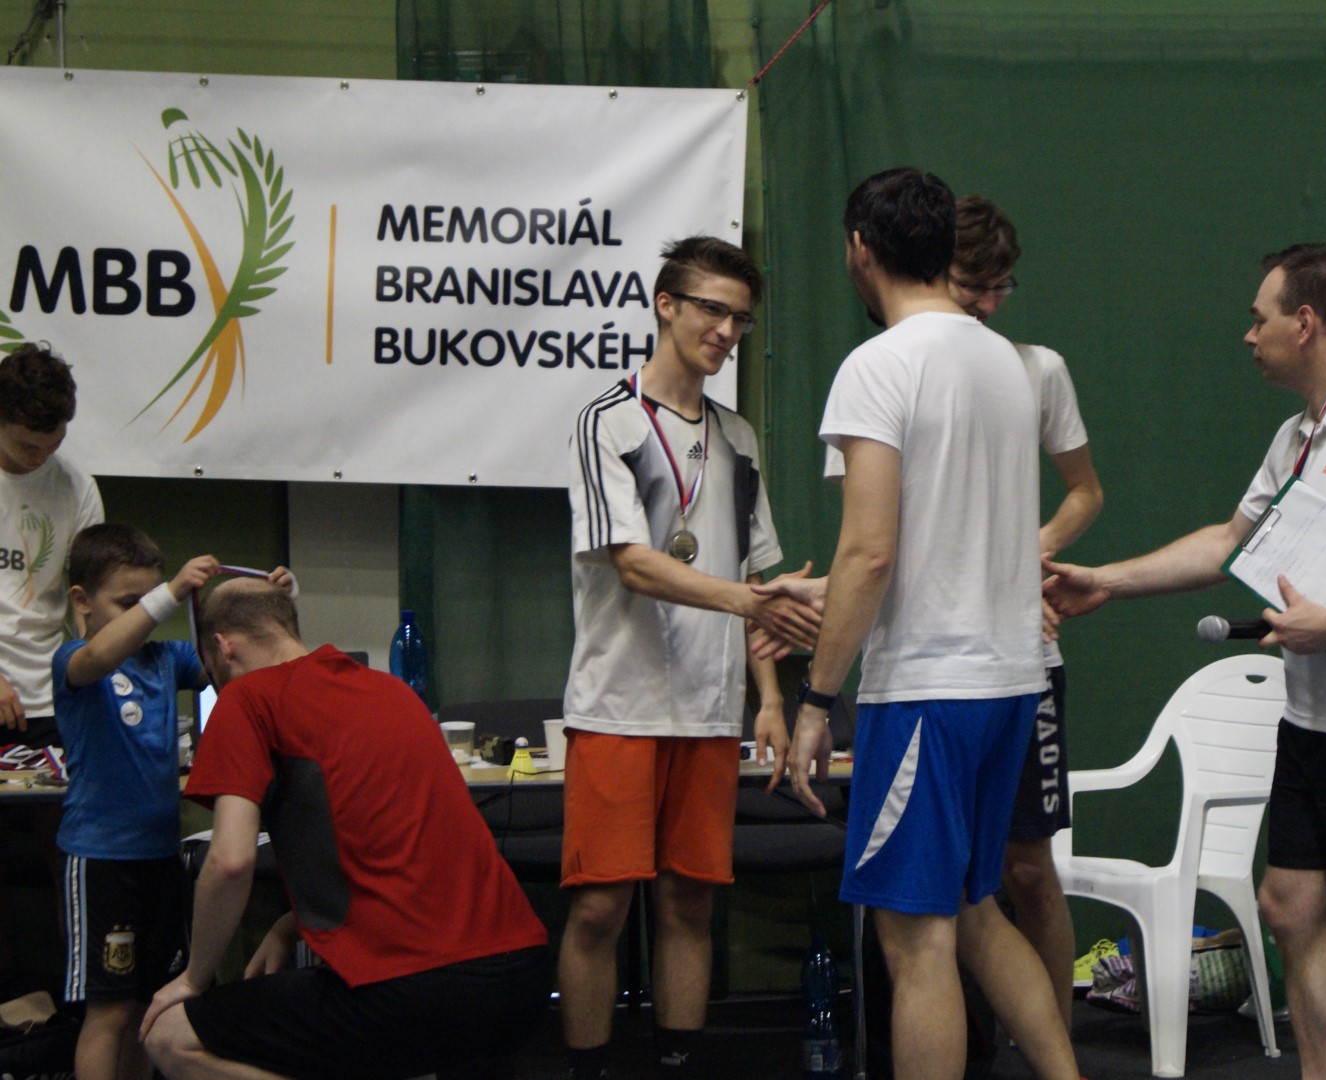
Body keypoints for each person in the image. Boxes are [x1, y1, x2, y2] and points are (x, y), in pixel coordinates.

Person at [1044, 244, 1326, 1080]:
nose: (1249, 335)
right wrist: (1106, 580)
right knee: (1289, 906)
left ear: (1306, 322)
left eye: (1260, 319)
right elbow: (1230, 542)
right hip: (1313, 724)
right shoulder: (1297, 437)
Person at [785, 168, 1081, 1080]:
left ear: (860, 250)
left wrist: (815, 700)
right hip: (1010, 683)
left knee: (916, 943)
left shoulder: (878, 365)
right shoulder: (1007, 364)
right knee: (975, 913)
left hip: (927, 692)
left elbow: (869, 553)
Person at [558, 236, 817, 1079]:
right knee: (599, 909)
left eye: (741, 319)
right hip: (619, 705)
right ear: (665, 305)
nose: (727, 331)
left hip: (709, 711)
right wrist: (747, 601)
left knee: (689, 904)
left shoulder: (737, 437)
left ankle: (678, 1060)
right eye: (712, 309)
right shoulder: (609, 421)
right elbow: (633, 564)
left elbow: (753, 575)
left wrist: (767, 699)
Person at [140, 578, 549, 1080]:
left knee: (171, 1036)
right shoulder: (391, 691)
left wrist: (193, 978)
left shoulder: (247, 697)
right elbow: (392, 846)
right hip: (519, 979)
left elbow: (230, 860)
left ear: (222, 647)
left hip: (416, 990)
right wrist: (291, 924)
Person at [53, 525, 218, 1080]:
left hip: (160, 859)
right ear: (82, 600)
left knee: (151, 1008)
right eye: (130, 603)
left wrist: (275, 601)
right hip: (101, 863)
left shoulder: (167, 658)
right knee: (110, 1011)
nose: (147, 613)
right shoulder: (74, 659)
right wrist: (168, 593)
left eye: (150, 599)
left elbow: (229, 662)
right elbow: (100, 656)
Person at [0, 342, 104, 990]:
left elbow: (91, 601)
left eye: (51, 443)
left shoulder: (75, 486)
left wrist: (91, 666)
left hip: (48, 694)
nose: (39, 457)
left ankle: (77, 1003)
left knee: (70, 855)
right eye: (24, 446)